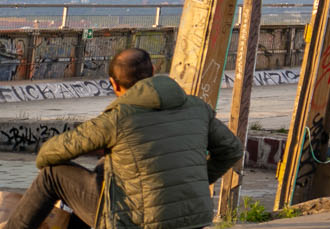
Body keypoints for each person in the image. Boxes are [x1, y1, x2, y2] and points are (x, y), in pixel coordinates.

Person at [4, 47, 243, 229]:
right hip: (192, 218)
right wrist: (199, 180)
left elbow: (49, 154)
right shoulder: (196, 107)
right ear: (153, 72)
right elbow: (232, 150)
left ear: (113, 84)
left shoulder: (118, 119)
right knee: (105, 170)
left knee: (53, 175)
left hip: (136, 222)